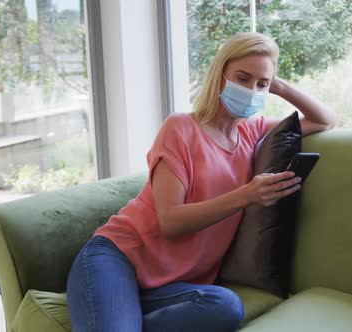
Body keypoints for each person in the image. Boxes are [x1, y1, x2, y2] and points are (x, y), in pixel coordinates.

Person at [66, 32, 337, 332]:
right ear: (220, 76)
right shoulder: (181, 127)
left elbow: (324, 119)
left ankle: (117, 314)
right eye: (242, 78)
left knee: (226, 307)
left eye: (261, 84)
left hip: (172, 288)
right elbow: (170, 221)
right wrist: (247, 195)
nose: (251, 90)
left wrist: (278, 85)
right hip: (117, 259)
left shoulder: (254, 132)